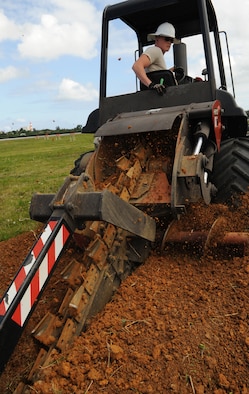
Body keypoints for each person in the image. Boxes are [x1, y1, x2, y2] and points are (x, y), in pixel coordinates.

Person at [132, 22, 178, 95]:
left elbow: (156, 74)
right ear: (157, 38)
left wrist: (171, 71)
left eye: (171, 40)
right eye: (167, 39)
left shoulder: (158, 54)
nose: (169, 42)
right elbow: (137, 66)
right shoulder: (156, 50)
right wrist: (151, 85)